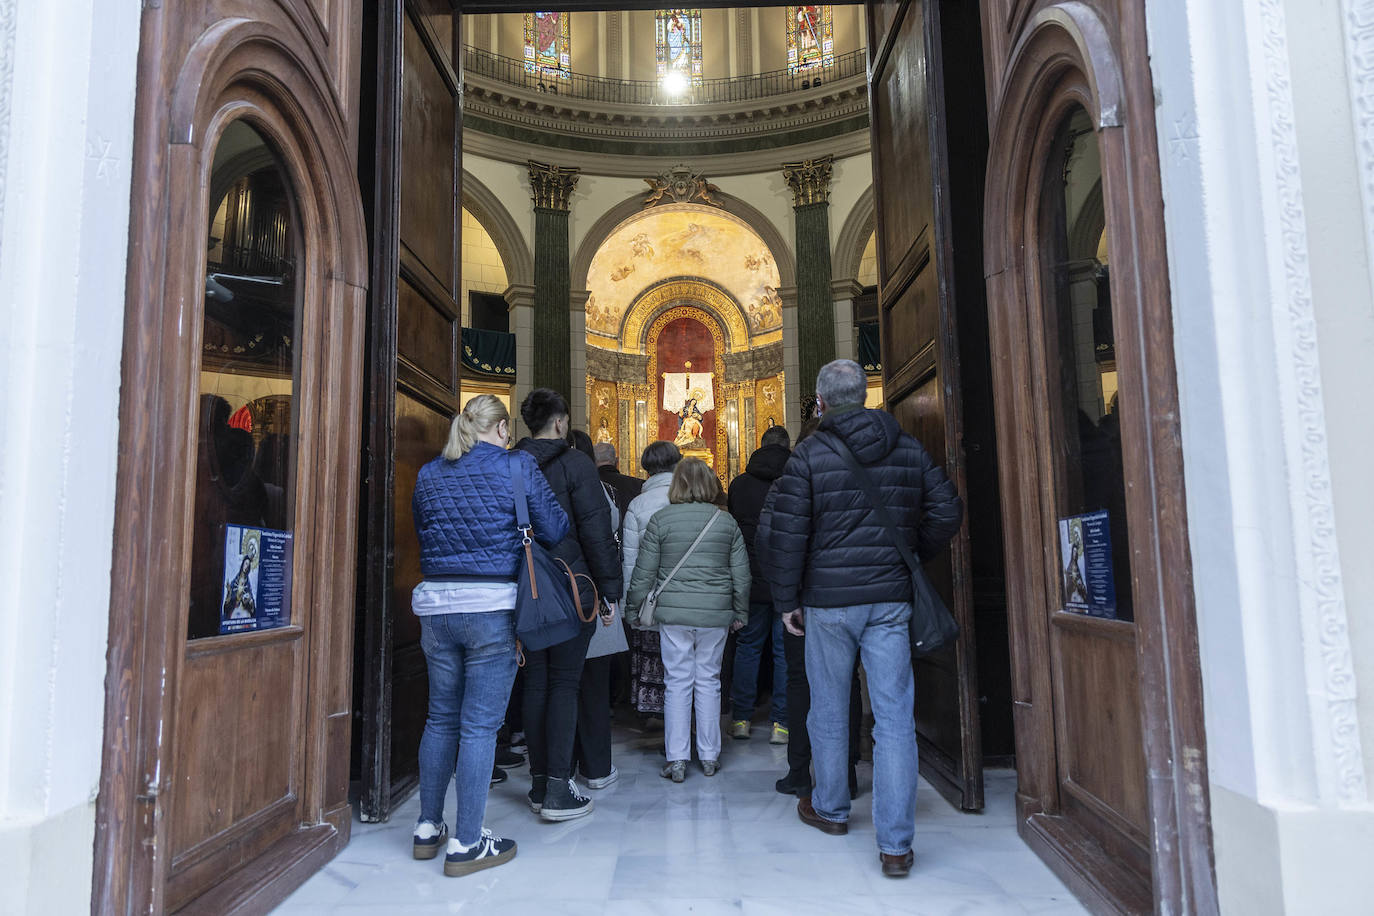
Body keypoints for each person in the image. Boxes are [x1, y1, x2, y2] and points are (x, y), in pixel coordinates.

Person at [767, 359, 963, 878]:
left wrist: (787, 600)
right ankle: (895, 846)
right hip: (889, 602)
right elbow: (948, 510)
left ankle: (831, 809)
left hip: (828, 601)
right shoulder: (905, 446)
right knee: (895, 718)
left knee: (829, 708)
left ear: (821, 402)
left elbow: (788, 535)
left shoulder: (809, 455)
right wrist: (906, 558)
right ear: (866, 395)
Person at [409, 394, 569, 876]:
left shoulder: (429, 472)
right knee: (479, 726)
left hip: (437, 607)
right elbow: (555, 528)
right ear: (501, 429)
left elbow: (423, 529)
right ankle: (467, 842)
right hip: (491, 607)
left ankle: (427, 827)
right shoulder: (516, 464)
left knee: (440, 718)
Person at [514, 390, 622, 821]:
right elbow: (597, 532)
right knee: (564, 684)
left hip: (527, 589)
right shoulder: (577, 464)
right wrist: (610, 591)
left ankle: (539, 783)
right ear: (560, 423)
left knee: (535, 684)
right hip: (572, 587)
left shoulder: (511, 463)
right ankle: (559, 788)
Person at [625, 458, 750, 781]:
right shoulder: (726, 522)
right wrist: (740, 611)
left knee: (677, 682)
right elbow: (741, 575)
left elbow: (644, 573)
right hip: (715, 612)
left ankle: (677, 758)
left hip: (674, 613)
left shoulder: (662, 520)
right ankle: (709, 756)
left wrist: (633, 609)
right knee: (709, 681)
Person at [569, 430, 628, 790]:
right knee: (592, 685)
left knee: (558, 687)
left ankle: (555, 772)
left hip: (555, 594)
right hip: (593, 593)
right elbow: (606, 546)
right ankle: (595, 768)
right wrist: (610, 595)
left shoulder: (542, 483)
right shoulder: (601, 490)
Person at [726, 425, 792, 744]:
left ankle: (741, 719)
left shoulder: (740, 484)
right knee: (784, 651)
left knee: (748, 648)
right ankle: (781, 723)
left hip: (750, 577)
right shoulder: (796, 479)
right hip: (785, 578)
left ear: (761, 446)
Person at [620, 440, 682, 717]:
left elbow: (631, 561)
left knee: (653, 655)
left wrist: (629, 607)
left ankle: (655, 713)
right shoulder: (689, 499)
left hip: (651, 599)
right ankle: (684, 718)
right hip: (686, 595)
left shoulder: (638, 504)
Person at [593, 441, 643, 540]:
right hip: (631, 538)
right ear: (616, 461)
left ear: (593, 461)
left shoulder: (589, 485)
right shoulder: (637, 485)